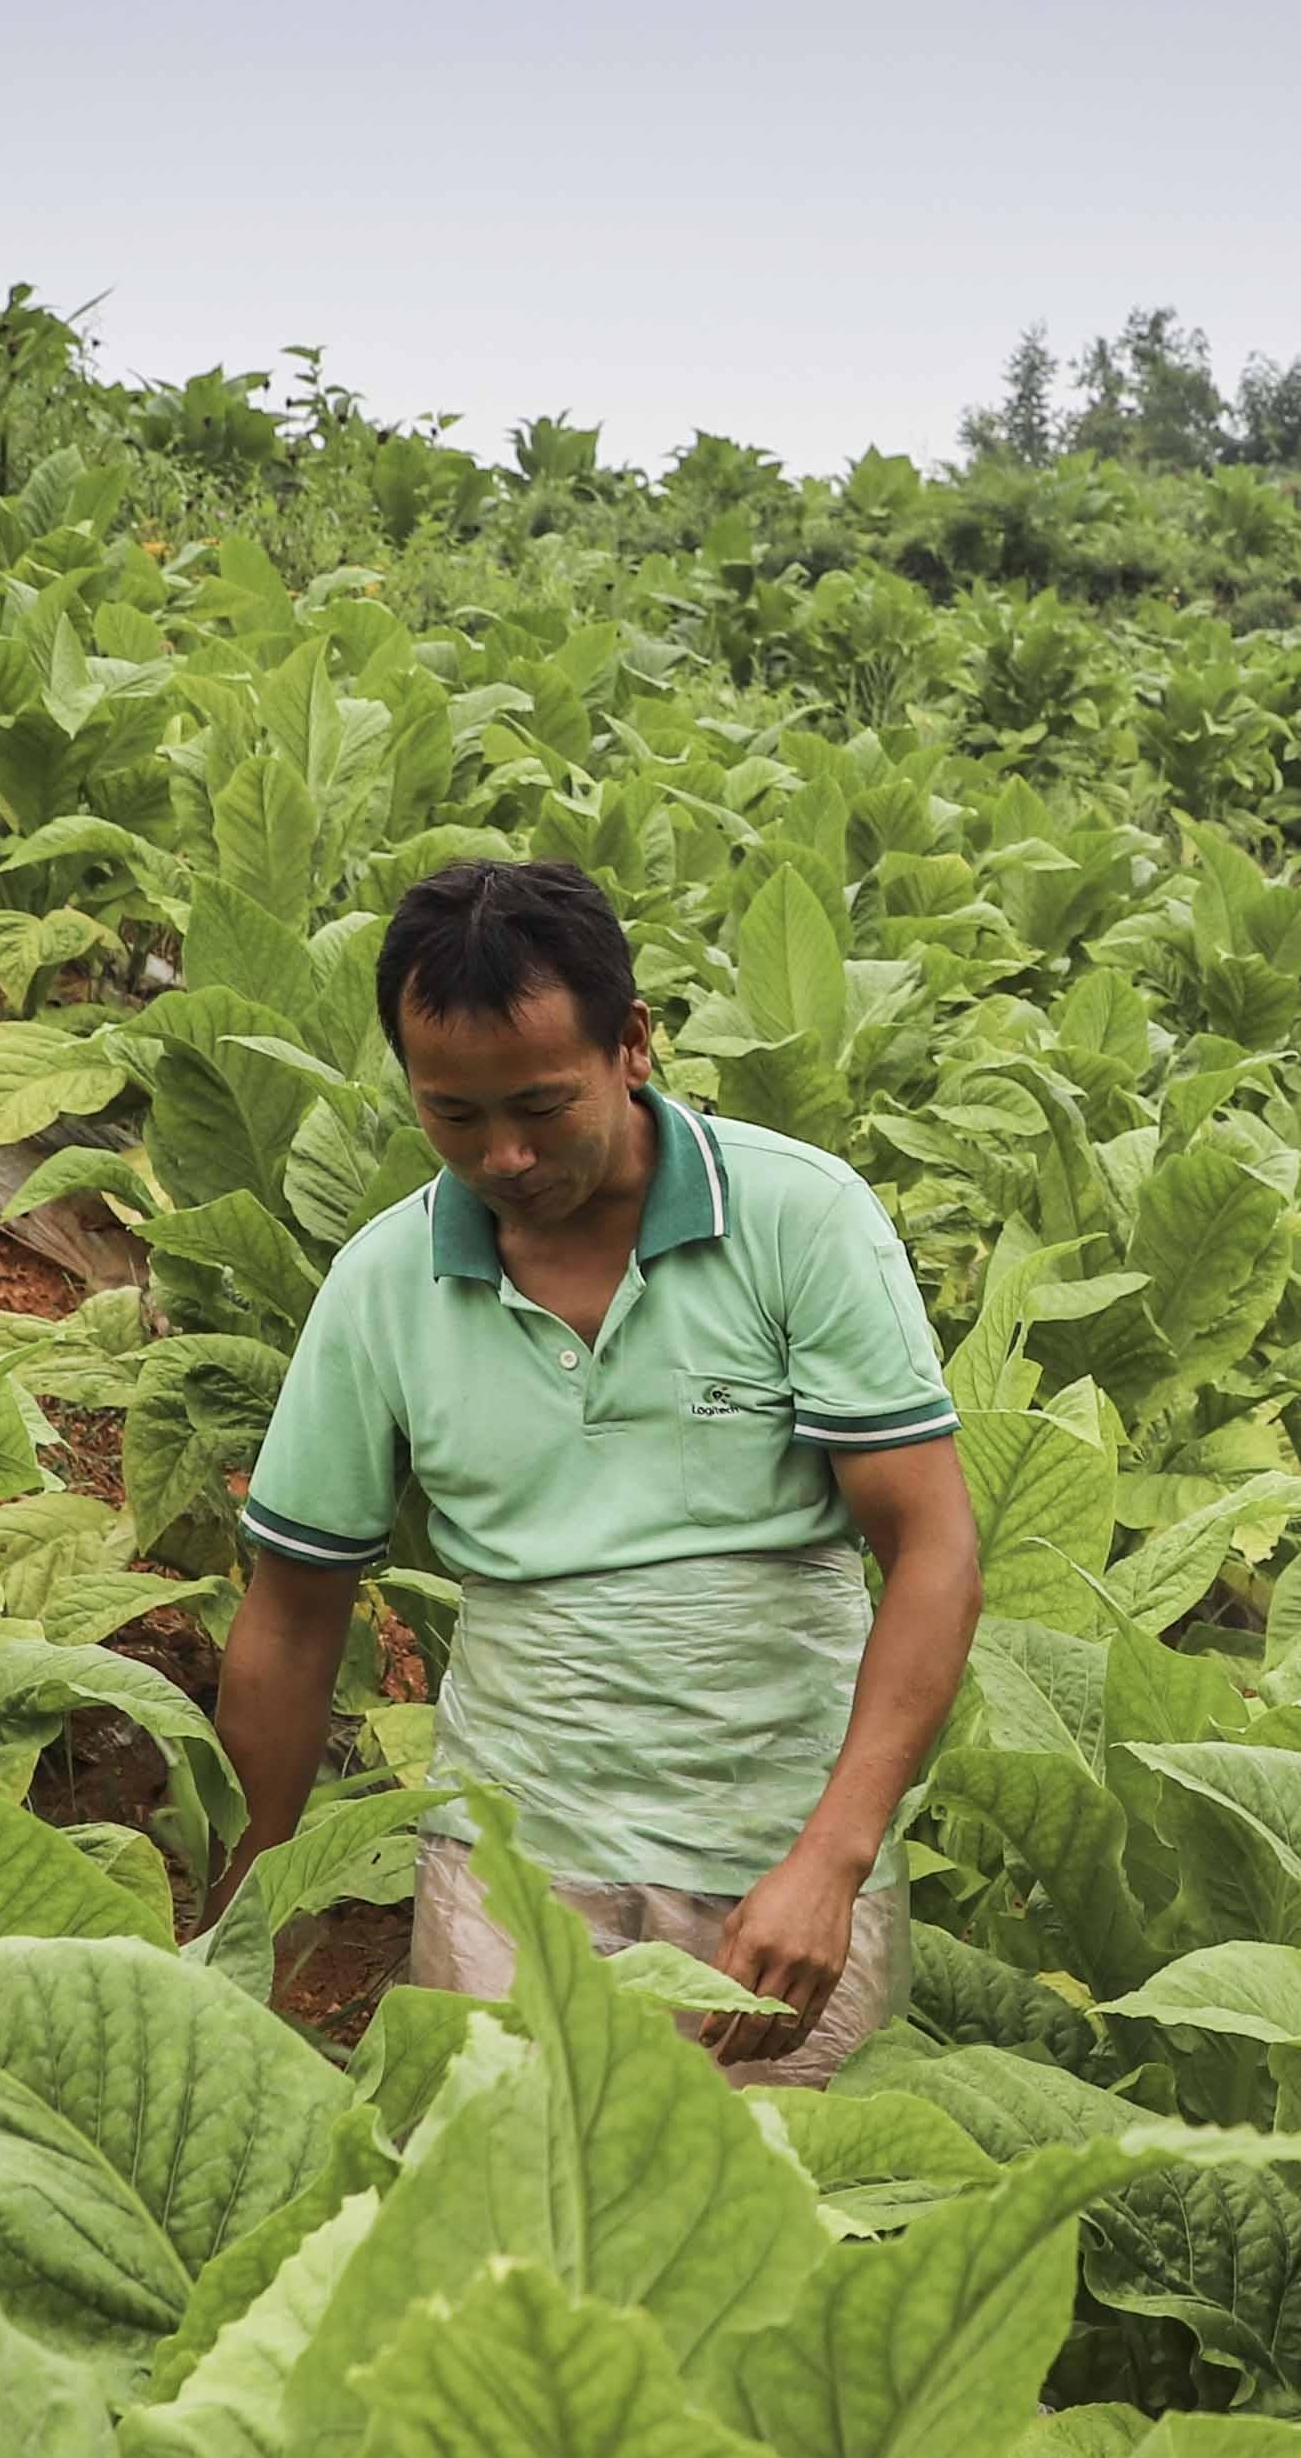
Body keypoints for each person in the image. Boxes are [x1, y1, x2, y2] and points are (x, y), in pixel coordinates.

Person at [215, 859, 980, 2077]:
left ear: (633, 1044)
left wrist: (832, 1858)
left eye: (539, 1105)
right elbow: (294, 1614)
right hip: (508, 1871)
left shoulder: (799, 1219)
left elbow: (932, 1545)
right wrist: (248, 1904)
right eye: (453, 1116)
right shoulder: (383, 1281)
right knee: (508, 2224)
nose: (504, 1156)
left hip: (776, 1868)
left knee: (785, 2238)